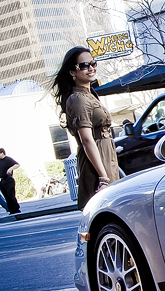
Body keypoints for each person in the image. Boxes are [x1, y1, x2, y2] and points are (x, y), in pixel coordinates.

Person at [51, 46, 120, 210]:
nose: (91, 68)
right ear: (72, 72)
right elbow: (87, 139)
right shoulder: (78, 99)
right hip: (96, 161)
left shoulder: (90, 95)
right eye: (83, 65)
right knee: (103, 216)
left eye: (93, 63)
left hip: (106, 156)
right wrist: (103, 177)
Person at [0, 148, 21, 214]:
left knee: (10, 195)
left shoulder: (8, 159)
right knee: (6, 196)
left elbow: (17, 164)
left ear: (2, 153)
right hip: (2, 180)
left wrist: (10, 169)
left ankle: (16, 209)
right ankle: (11, 210)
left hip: (8, 180)